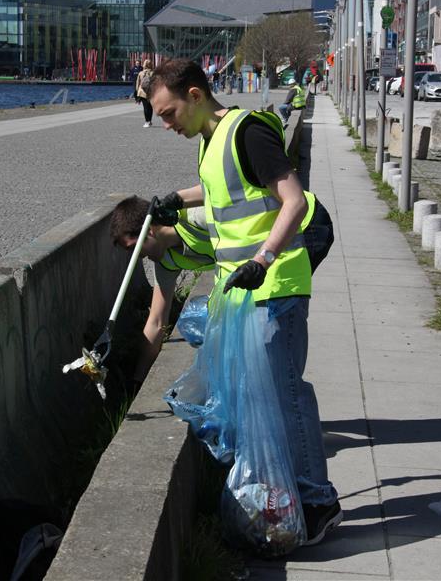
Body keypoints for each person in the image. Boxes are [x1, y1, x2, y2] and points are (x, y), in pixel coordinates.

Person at [144, 58, 340, 546]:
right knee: (269, 395)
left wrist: (265, 256)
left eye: (168, 114)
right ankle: (298, 493)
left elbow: (292, 199)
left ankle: (319, 502)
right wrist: (178, 199)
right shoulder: (212, 141)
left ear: (194, 95)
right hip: (246, 291)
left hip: (275, 288)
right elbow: (224, 191)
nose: (166, 125)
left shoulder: (248, 132)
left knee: (288, 394)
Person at [110, 197, 215, 383]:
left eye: (135, 248)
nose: (139, 257)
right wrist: (137, 380)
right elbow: (156, 322)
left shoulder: (199, 218)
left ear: (148, 231)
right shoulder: (166, 261)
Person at [135, 59, 155, 127]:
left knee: (145, 107)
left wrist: (138, 93)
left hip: (143, 92)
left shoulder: (141, 73)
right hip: (151, 92)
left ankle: (147, 122)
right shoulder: (153, 73)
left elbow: (137, 84)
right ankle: (150, 121)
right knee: (150, 107)